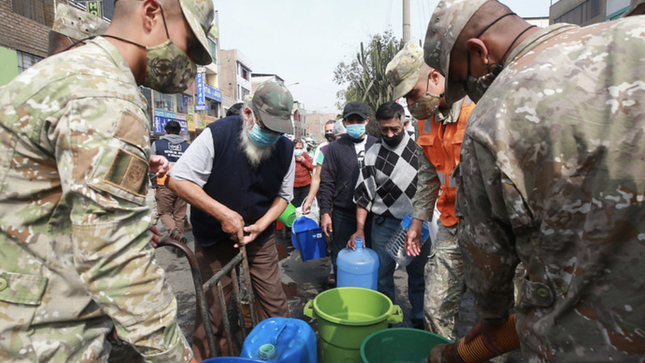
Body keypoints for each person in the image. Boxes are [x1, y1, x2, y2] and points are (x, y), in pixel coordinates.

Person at [424, 0, 645, 361]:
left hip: (580, 341)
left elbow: (487, 258)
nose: (471, 94)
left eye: (465, 82)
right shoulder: (634, 35)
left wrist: (493, 317)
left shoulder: (493, 116)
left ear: (479, 52)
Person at [0, 0, 214, 362]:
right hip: (43, 338)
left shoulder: (71, 73)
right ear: (150, 14)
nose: (189, 64)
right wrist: (179, 356)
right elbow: (117, 261)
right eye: (189, 45)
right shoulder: (105, 95)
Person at [166, 80, 293, 360]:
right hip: (214, 236)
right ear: (248, 114)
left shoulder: (286, 149)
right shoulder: (217, 135)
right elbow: (178, 179)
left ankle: (277, 353)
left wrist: (262, 225)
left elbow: (284, 196)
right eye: (266, 128)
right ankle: (214, 356)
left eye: (277, 131)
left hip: (260, 235)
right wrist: (222, 213)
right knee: (214, 312)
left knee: (274, 303)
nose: (271, 137)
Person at [387, 41, 475, 340]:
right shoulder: (424, 122)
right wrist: (417, 221)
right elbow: (428, 176)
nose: (410, 105)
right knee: (435, 309)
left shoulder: (480, 109)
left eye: (412, 94)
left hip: (491, 228)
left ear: (436, 77)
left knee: (496, 319)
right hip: (452, 225)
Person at [348, 101, 429, 329]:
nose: (390, 134)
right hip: (384, 225)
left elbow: (431, 189)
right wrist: (360, 229)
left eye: (395, 128)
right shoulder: (372, 155)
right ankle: (387, 321)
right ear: (377, 126)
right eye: (384, 130)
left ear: (405, 123)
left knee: (418, 274)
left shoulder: (419, 151)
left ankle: (420, 317)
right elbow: (364, 197)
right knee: (383, 277)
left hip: (416, 225)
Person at [318, 101, 377, 279]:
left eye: (358, 120)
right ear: (344, 123)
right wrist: (325, 212)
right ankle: (342, 289)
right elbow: (326, 181)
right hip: (343, 212)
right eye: (350, 120)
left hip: (372, 213)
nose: (354, 124)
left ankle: (368, 291)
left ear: (366, 121)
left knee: (371, 254)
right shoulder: (336, 148)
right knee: (341, 254)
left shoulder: (377, 144)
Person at [152, 120, 191, 242]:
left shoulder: (157, 145)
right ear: (180, 132)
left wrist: (154, 185)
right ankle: (179, 244)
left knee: (164, 213)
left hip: (163, 184)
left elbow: (151, 167)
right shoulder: (187, 147)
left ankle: (175, 233)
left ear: (165, 131)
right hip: (182, 185)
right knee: (179, 216)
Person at [302, 119, 341, 214]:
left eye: (331, 130)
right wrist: (310, 199)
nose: (329, 133)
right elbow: (316, 175)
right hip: (326, 194)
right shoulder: (322, 149)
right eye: (327, 131)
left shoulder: (345, 147)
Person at [292, 138, 314, 207]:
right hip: (294, 186)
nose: (298, 150)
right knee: (294, 205)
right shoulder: (290, 156)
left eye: (300, 148)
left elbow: (312, 167)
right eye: (296, 148)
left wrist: (304, 161)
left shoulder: (305, 155)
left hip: (306, 185)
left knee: (305, 204)